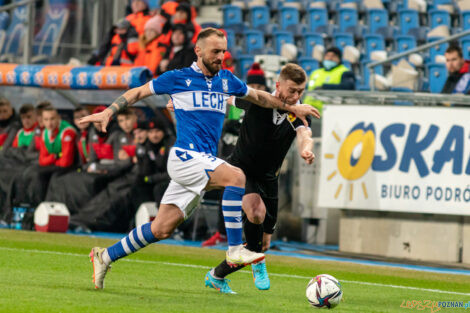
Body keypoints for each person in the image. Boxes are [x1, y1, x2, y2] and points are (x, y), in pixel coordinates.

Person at [79, 27, 319, 290]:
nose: (220, 56)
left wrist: (291, 107)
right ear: (199, 50)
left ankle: (105, 256)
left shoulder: (226, 81)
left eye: (223, 51)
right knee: (237, 176)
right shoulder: (177, 78)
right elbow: (137, 92)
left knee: (161, 229)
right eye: (215, 51)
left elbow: (261, 97)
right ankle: (235, 248)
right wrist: (108, 112)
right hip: (185, 157)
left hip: (203, 162)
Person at [204, 63, 315, 294]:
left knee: (263, 243)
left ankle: (217, 275)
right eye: (292, 90)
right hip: (241, 170)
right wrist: (187, 104)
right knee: (255, 212)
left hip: (269, 179)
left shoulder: (298, 113)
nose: (296, 96)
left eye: (300, 91)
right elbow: (222, 97)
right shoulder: (257, 100)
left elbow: (305, 134)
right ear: (278, 85)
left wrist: (307, 149)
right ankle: (258, 262)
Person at [202, 62, 269, 247]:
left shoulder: (267, 104)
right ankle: (222, 233)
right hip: (234, 157)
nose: (255, 89)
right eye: (252, 86)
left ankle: (255, 237)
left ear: (264, 88)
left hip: (256, 161)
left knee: (254, 202)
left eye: (259, 86)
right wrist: (229, 126)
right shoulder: (238, 100)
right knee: (226, 192)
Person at [303, 47, 356, 114]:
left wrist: (324, 88)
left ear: (339, 59)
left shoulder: (345, 72)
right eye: (327, 55)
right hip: (308, 112)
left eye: (333, 56)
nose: (329, 58)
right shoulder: (315, 73)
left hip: (328, 113)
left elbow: (348, 87)